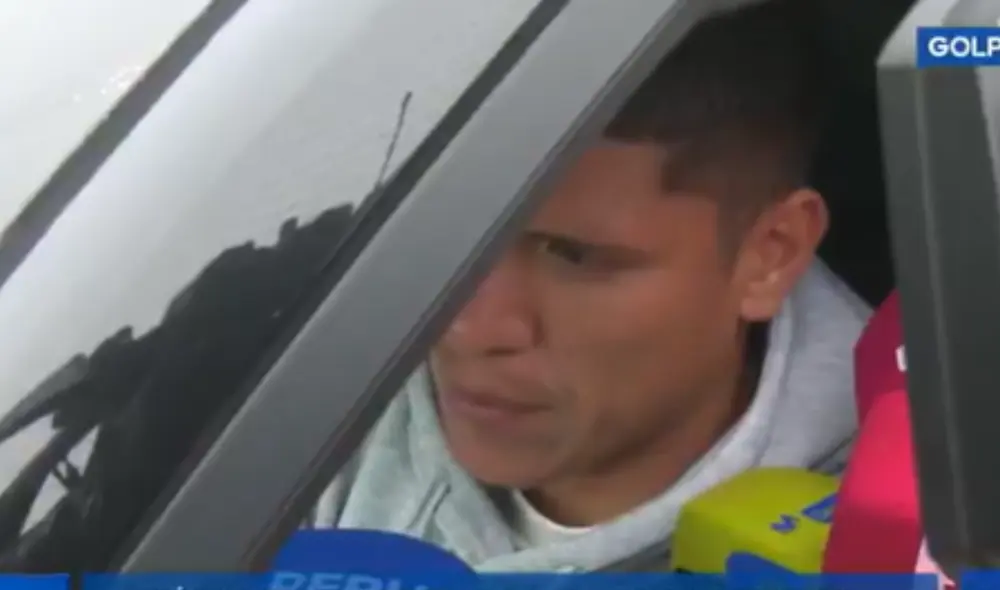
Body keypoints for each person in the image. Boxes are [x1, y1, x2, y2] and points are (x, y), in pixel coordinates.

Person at [314, 0, 871, 572]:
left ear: (769, 256)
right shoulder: (298, 391)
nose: (465, 326)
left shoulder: (910, 546)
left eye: (572, 255)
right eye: (450, 235)